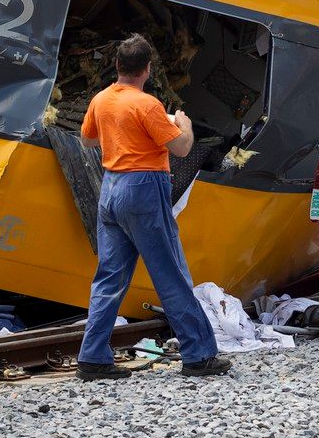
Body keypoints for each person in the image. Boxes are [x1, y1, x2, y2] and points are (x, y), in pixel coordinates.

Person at [75, 34, 230, 379]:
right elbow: (181, 150)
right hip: (143, 188)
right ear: (146, 70)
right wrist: (184, 126)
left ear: (117, 66)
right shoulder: (147, 105)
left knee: (109, 277)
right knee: (170, 272)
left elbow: (87, 140)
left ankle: (93, 358)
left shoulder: (101, 100)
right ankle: (199, 354)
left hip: (110, 189)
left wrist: (119, 134)